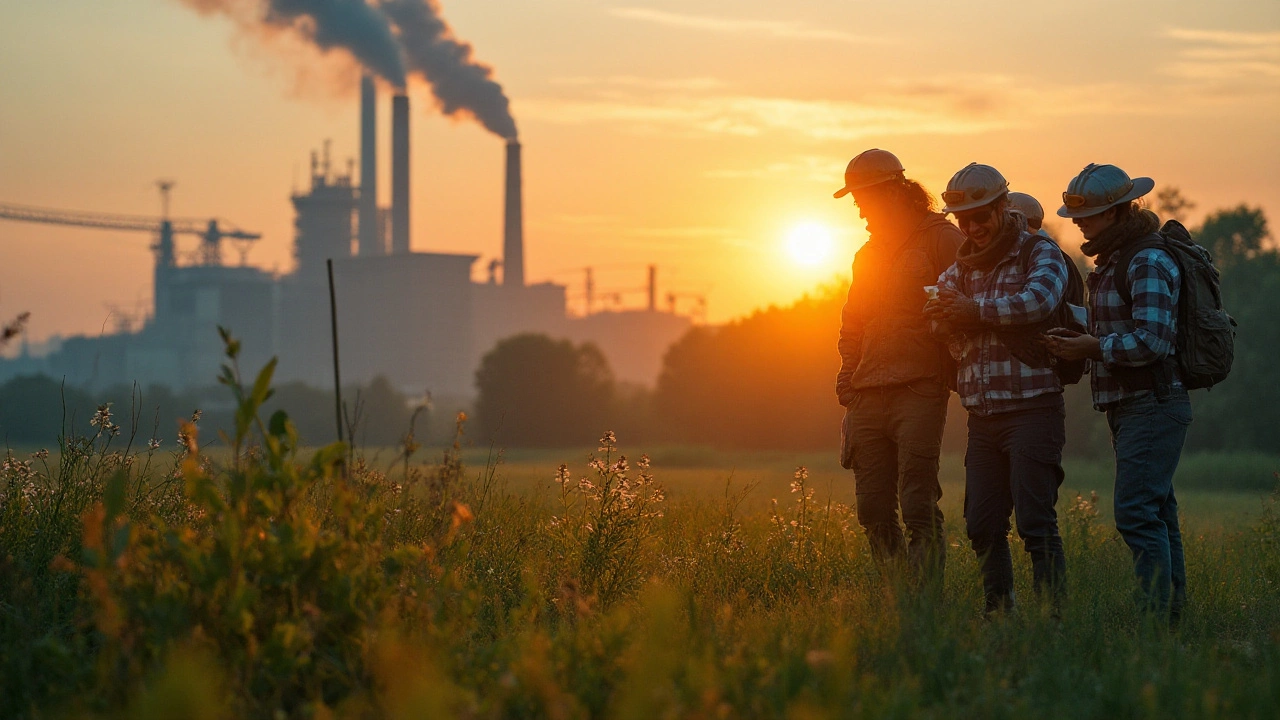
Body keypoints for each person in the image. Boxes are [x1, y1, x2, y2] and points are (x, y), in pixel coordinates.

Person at [1044, 163, 1190, 626]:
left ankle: (1154, 620)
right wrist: (1080, 333)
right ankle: (1171, 617)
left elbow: (1153, 341)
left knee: (1135, 514)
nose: (1079, 222)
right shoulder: (1114, 259)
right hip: (1133, 404)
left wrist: (1093, 346)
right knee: (1158, 512)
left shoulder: (1145, 260)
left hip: (1151, 402)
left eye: (1090, 214)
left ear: (1119, 211)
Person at [925, 163, 1072, 617]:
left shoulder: (1039, 252)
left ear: (1004, 206)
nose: (972, 228)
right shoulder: (960, 266)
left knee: (1035, 522)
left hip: (1034, 409)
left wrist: (972, 312)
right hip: (982, 417)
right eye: (962, 220)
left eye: (980, 216)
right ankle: (999, 612)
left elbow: (1038, 302)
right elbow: (935, 312)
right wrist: (957, 315)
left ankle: (1053, 619)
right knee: (981, 524)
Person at [833, 149, 963, 585]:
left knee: (917, 504)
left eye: (863, 199)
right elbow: (853, 320)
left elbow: (969, 304)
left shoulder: (941, 238)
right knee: (872, 508)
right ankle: (896, 596)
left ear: (892, 192)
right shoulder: (866, 254)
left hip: (920, 390)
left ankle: (924, 604)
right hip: (867, 392)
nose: (859, 209)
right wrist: (848, 374)